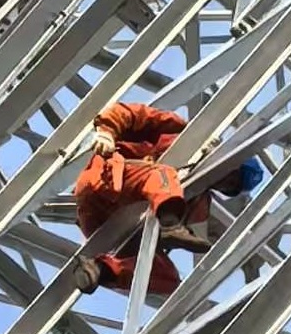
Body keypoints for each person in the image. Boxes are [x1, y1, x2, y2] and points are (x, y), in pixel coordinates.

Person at [72, 101, 263, 295]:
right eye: (231, 174)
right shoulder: (183, 133)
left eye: (230, 187)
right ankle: (170, 224)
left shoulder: (198, 202)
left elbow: (213, 236)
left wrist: (248, 251)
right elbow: (131, 113)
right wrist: (106, 131)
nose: (224, 182)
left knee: (167, 278)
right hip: (108, 182)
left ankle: (99, 271)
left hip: (104, 226)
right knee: (164, 174)